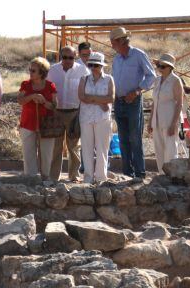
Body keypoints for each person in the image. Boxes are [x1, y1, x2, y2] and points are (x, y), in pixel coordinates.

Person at [110, 27, 156, 182]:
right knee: (123, 138)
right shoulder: (116, 59)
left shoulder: (138, 55)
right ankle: (127, 173)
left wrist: (137, 91)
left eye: (113, 41)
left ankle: (140, 173)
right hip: (119, 101)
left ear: (119, 41)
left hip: (133, 101)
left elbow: (151, 76)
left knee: (135, 138)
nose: (111, 44)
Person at [47, 46, 88, 182]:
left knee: (74, 146)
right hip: (56, 112)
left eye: (71, 57)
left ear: (75, 57)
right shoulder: (52, 70)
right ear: (60, 56)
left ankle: (74, 176)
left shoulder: (83, 70)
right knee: (56, 147)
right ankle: (53, 177)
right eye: (65, 57)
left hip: (74, 112)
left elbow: (87, 89)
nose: (68, 60)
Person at [78, 52, 115, 184]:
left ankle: (100, 177)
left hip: (103, 118)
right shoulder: (84, 79)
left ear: (101, 66)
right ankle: (88, 177)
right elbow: (82, 97)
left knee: (102, 149)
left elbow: (111, 98)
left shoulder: (109, 79)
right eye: (91, 65)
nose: (93, 68)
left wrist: (92, 98)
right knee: (86, 148)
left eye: (96, 65)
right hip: (86, 118)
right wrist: (101, 101)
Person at [17, 57, 57, 179]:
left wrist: (43, 101)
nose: (30, 72)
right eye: (30, 69)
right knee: (29, 153)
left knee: (46, 154)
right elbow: (20, 100)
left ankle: (46, 178)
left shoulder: (50, 86)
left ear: (41, 72)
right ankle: (31, 179)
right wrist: (32, 96)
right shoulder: (25, 84)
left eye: (33, 70)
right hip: (28, 123)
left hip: (46, 124)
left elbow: (54, 106)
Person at [147, 54, 184, 173]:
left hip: (169, 120)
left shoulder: (176, 80)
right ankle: (162, 176)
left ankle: (173, 176)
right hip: (157, 121)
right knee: (159, 150)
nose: (159, 68)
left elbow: (179, 103)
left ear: (169, 67)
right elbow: (154, 102)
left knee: (171, 150)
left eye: (162, 66)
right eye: (158, 65)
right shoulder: (157, 80)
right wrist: (150, 121)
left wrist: (174, 124)